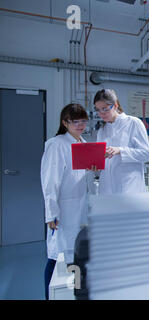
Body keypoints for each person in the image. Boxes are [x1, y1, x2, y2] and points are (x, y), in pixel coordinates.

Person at [41, 103, 90, 300]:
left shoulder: (83, 143)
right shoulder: (57, 144)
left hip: (80, 209)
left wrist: (93, 169)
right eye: (75, 121)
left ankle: (74, 293)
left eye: (83, 121)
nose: (80, 125)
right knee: (57, 258)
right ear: (65, 122)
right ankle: (50, 297)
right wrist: (51, 212)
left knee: (76, 257)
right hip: (63, 210)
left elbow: (80, 176)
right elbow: (50, 181)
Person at [93, 89, 149, 194]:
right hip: (106, 190)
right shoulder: (102, 131)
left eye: (105, 109)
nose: (101, 114)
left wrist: (120, 150)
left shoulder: (134, 123)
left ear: (115, 105)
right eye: (98, 110)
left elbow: (146, 154)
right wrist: (95, 166)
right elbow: (102, 163)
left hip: (129, 188)